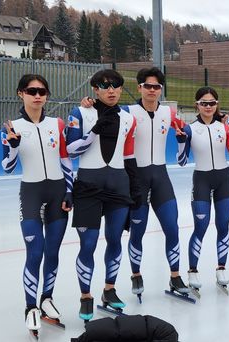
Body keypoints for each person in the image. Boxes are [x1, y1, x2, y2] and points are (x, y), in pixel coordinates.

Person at [80, 67, 188, 299]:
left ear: (161, 89)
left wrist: (219, 117)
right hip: (135, 179)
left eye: (156, 86)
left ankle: (176, 276)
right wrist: (89, 103)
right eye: (147, 86)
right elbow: (106, 109)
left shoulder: (169, 113)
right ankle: (136, 274)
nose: (152, 90)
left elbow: (191, 128)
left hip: (160, 178)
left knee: (172, 227)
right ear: (139, 88)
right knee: (137, 232)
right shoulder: (128, 112)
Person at [1, 74, 73, 335]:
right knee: (35, 252)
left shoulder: (58, 123)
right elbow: (7, 167)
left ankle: (47, 299)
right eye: (31, 91)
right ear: (21, 93)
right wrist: (12, 147)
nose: (37, 95)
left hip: (57, 193)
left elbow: (65, 159)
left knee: (52, 252)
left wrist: (70, 191)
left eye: (42, 90)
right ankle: (30, 307)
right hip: (31, 193)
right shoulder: (12, 126)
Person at [66, 69, 140, 320]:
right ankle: (85, 296)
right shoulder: (81, 113)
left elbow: (129, 154)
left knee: (115, 240)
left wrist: (135, 187)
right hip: (88, 186)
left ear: (120, 88)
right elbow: (71, 149)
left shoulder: (129, 117)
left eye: (116, 85)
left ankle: (110, 290)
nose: (111, 90)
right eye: (104, 86)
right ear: (94, 89)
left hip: (118, 186)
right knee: (88, 244)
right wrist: (96, 129)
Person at [178, 87, 229, 293]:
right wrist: (180, 143)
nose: (208, 107)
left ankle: (221, 268)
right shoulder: (189, 129)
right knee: (201, 227)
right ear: (197, 105)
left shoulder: (224, 127)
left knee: (223, 226)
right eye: (204, 103)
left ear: (217, 105)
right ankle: (192, 271)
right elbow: (181, 161)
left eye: (212, 103)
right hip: (202, 180)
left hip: (224, 180)